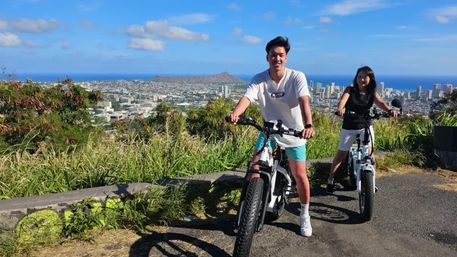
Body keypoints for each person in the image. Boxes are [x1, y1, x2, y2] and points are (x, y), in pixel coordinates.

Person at [228, 36, 315, 237]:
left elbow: (304, 102)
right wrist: (236, 113)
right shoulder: (259, 79)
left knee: (300, 174)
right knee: (255, 167)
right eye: (273, 55)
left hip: (294, 132)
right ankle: (247, 209)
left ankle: (304, 214)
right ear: (267, 57)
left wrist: (308, 125)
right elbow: (247, 98)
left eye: (281, 55)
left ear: (286, 57)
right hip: (270, 131)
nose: (277, 58)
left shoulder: (296, 77)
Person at [326, 66, 398, 193]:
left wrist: (390, 110)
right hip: (349, 126)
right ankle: (331, 179)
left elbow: (380, 102)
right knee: (341, 154)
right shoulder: (350, 90)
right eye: (359, 76)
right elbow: (342, 101)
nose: (362, 79)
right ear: (356, 78)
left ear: (370, 78)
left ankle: (371, 182)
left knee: (370, 155)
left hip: (365, 125)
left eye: (365, 76)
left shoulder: (372, 92)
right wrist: (341, 109)